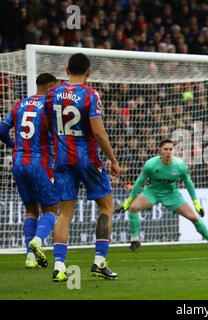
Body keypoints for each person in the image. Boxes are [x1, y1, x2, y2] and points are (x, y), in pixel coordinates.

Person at [45, 53, 121, 282]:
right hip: (87, 160)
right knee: (107, 207)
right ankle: (99, 261)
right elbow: (98, 132)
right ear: (88, 71)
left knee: (64, 213)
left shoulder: (52, 93)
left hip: (62, 160)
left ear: (67, 70)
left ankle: (59, 267)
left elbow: (48, 124)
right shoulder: (90, 95)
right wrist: (113, 159)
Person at [121, 139, 208, 252]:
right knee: (133, 208)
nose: (168, 152)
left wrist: (196, 204)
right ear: (160, 151)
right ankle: (135, 240)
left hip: (172, 195)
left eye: (171, 149)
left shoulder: (180, 165)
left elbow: (188, 183)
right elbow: (139, 182)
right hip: (152, 193)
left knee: (194, 217)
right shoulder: (150, 164)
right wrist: (128, 201)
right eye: (165, 149)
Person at [0, 73, 58, 269]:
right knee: (51, 210)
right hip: (40, 163)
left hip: (18, 163)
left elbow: (1, 130)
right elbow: (54, 135)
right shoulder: (49, 107)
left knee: (31, 210)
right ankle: (38, 240)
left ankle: (30, 258)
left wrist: (14, 145)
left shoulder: (19, 105)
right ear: (50, 86)